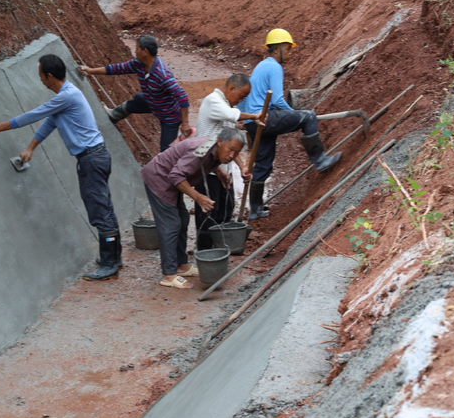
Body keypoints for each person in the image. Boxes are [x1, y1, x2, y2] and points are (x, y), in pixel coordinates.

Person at [0, 54, 122, 281]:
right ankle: (113, 257)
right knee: (104, 205)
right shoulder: (66, 96)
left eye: (40, 75)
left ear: (49, 76)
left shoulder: (66, 96)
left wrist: (0, 127)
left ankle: (109, 264)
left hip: (90, 159)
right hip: (97, 156)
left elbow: (34, 114)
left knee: (99, 209)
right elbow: (49, 122)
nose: (40, 80)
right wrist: (31, 148)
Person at [238, 28, 341, 221]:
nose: (291, 53)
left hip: (255, 121)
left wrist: (245, 121)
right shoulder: (275, 67)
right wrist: (296, 115)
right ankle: (320, 161)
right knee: (308, 117)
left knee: (262, 164)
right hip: (265, 117)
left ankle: (255, 210)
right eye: (288, 48)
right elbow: (276, 99)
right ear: (277, 49)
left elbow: (246, 98)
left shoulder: (260, 66)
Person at [139, 127, 247, 289]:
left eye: (236, 152)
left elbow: (204, 162)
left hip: (171, 180)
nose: (232, 156)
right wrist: (198, 197)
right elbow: (176, 175)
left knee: (182, 219)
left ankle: (182, 265)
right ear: (219, 142)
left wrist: (218, 171)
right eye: (230, 150)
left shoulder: (215, 149)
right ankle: (169, 275)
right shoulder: (200, 150)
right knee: (171, 224)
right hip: (159, 178)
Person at [79, 34, 192, 153]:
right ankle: (114, 115)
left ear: (145, 51)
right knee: (138, 99)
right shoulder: (139, 64)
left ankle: (170, 169)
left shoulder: (162, 75)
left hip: (170, 116)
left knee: (166, 151)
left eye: (137, 48)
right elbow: (117, 68)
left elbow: (183, 97)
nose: (135, 51)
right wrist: (91, 71)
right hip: (153, 101)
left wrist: (185, 123)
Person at [192, 73, 263, 250]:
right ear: (231, 88)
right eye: (241, 96)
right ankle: (206, 253)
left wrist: (242, 167)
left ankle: (222, 248)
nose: (240, 101)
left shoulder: (224, 107)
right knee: (208, 217)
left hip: (225, 170)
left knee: (226, 210)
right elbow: (233, 115)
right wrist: (254, 116)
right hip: (209, 172)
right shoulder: (213, 101)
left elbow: (232, 144)